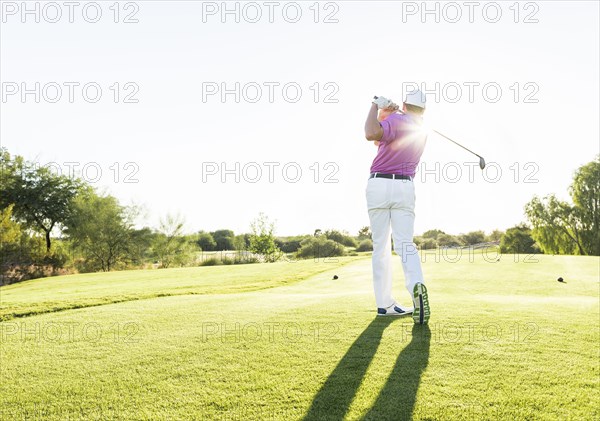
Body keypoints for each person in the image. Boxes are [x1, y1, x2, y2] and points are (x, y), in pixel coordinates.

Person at [363, 90, 430, 324]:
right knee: (405, 244)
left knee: (380, 247)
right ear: (424, 110)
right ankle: (417, 287)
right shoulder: (421, 131)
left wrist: (375, 106)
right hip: (404, 188)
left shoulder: (397, 120)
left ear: (404, 104)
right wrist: (387, 114)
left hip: (379, 184)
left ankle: (384, 305)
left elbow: (371, 133)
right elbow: (379, 141)